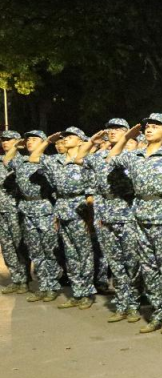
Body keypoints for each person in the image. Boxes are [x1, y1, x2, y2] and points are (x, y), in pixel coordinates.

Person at [107, 113, 162, 335]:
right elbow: (112, 157)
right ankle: (156, 313)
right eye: (147, 126)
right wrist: (126, 137)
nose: (149, 129)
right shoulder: (135, 156)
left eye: (155, 126)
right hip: (139, 217)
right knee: (148, 269)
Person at [79, 118, 142, 322]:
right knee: (115, 262)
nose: (112, 132)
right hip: (105, 213)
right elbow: (79, 158)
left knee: (132, 261)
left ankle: (134, 304)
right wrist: (91, 141)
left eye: (117, 129)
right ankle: (122, 304)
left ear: (127, 132)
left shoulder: (133, 155)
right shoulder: (99, 157)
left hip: (127, 212)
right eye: (110, 129)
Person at [30, 127, 97, 309]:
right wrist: (47, 142)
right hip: (62, 208)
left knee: (84, 253)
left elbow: (90, 193)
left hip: (80, 209)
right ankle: (77, 292)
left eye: (70, 136)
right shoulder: (56, 160)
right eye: (64, 137)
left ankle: (87, 293)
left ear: (81, 141)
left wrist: (90, 218)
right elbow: (34, 158)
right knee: (70, 253)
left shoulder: (85, 161)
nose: (65, 139)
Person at [3, 130, 62, 302]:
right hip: (27, 209)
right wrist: (16, 145)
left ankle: (52, 286)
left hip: (44, 208)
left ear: (42, 142)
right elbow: (7, 160)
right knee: (36, 251)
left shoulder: (48, 161)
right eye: (28, 139)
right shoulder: (21, 161)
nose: (29, 141)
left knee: (49, 250)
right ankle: (43, 285)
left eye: (34, 139)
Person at [0, 130, 30, 294]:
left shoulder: (22, 161)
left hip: (16, 209)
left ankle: (25, 278)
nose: (5, 142)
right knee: (6, 246)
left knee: (20, 244)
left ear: (18, 142)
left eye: (8, 139)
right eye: (3, 140)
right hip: (1, 210)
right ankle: (16, 278)